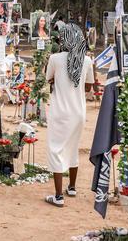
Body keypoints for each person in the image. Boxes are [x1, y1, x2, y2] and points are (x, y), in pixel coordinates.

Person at [44, 23, 94, 207]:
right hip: (78, 112)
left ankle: (58, 196)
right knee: (73, 148)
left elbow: (48, 77)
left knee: (56, 149)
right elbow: (89, 86)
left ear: (63, 39)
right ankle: (71, 187)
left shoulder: (55, 59)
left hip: (60, 112)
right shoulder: (87, 61)